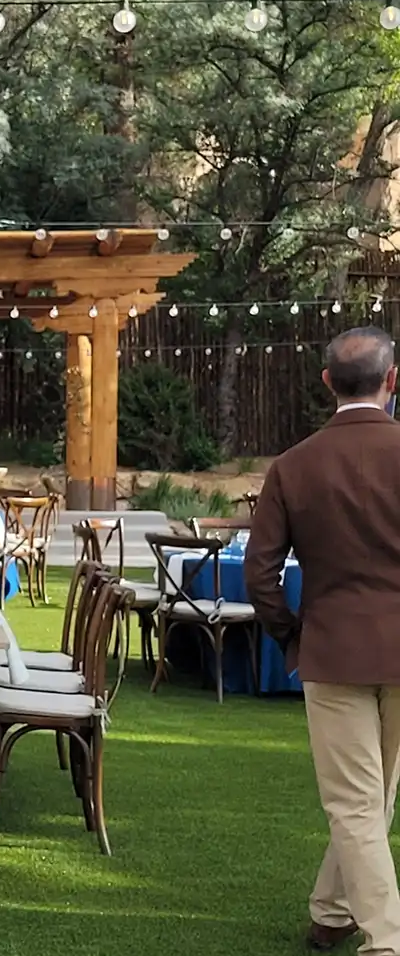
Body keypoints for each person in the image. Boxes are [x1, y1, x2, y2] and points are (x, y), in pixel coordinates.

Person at [248, 326, 400, 954]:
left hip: (334, 649)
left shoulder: (293, 465)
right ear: (392, 381)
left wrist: (292, 633)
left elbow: (260, 574)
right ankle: (336, 913)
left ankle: (381, 937)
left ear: (327, 383)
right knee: (373, 798)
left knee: (357, 803)